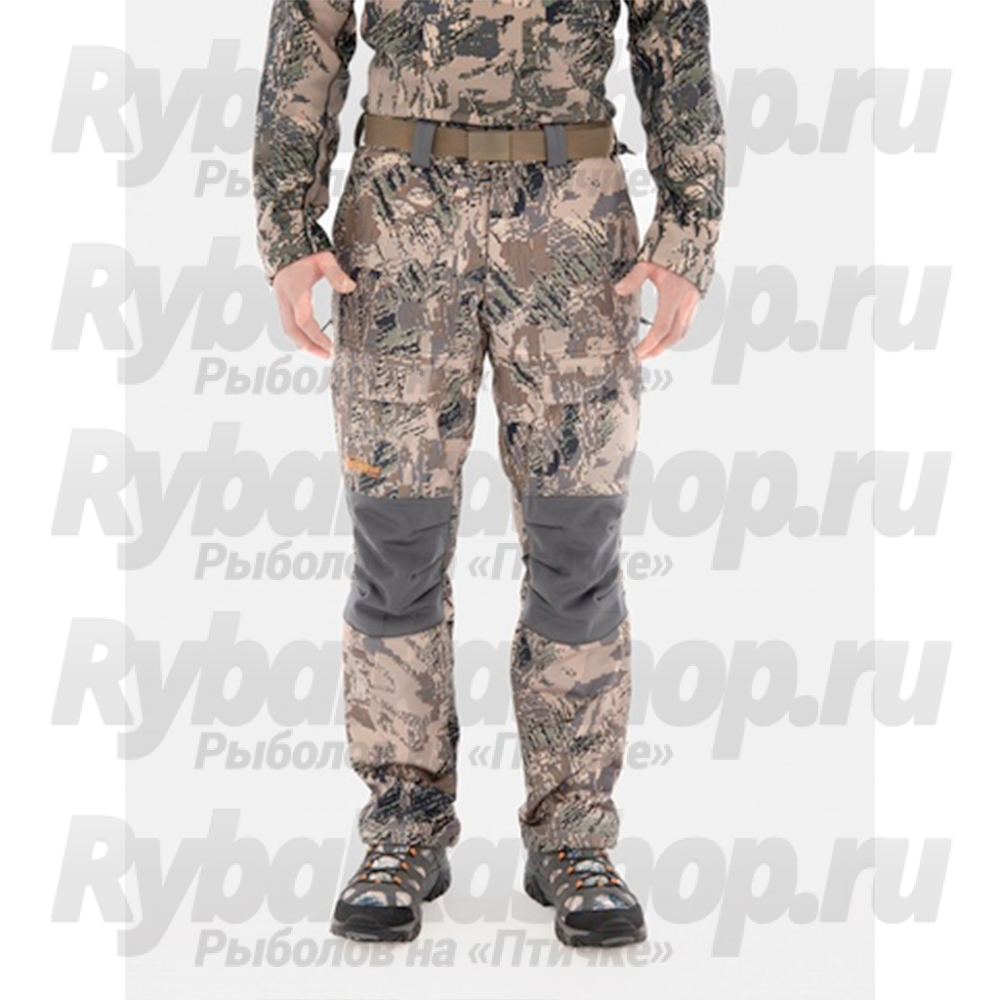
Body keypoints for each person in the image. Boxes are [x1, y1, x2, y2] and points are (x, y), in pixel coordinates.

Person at [253, 0, 725, 948]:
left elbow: (674, 36)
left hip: (572, 227)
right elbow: (307, 32)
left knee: (576, 541)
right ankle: (402, 826)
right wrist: (287, 227)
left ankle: (574, 836)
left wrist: (688, 232)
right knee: (396, 544)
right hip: (398, 224)